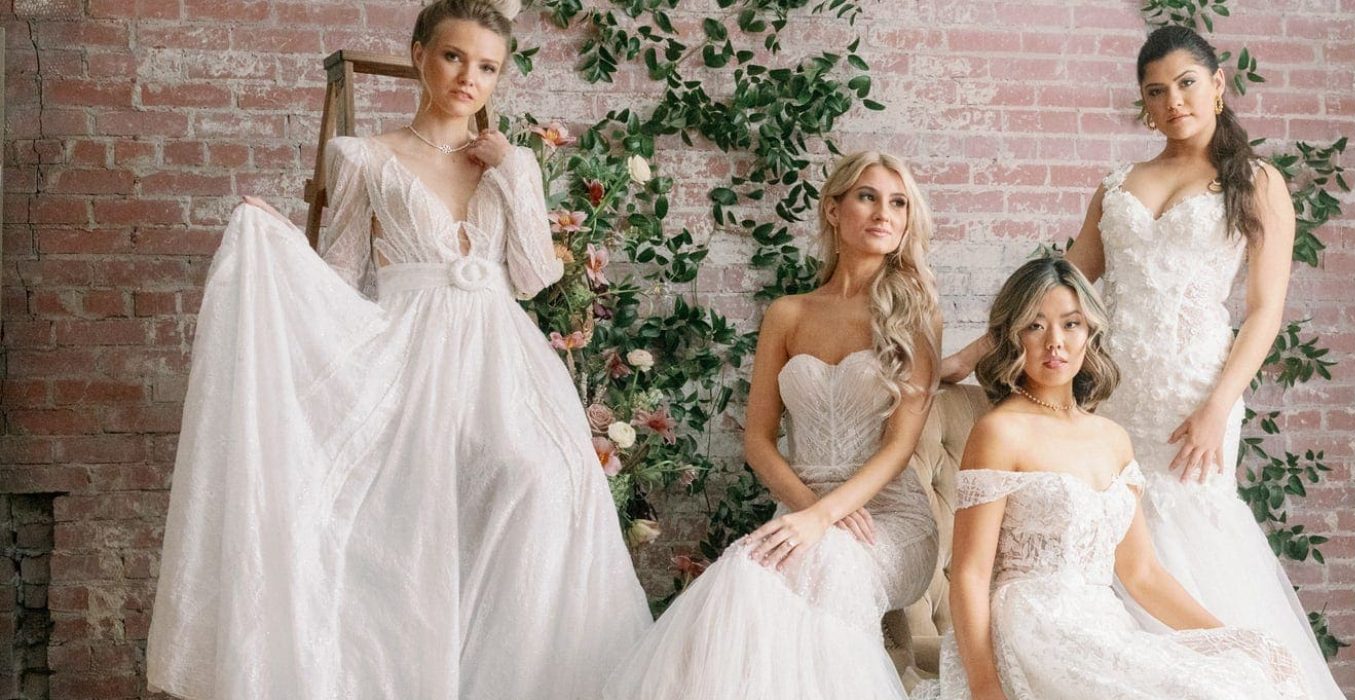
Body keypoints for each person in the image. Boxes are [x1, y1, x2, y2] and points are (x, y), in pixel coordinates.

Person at [146, 2, 650, 697]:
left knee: (548, 481)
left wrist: (515, 173)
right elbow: (338, 276)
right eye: (453, 56)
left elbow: (535, 276)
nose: (468, 77)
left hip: (504, 358)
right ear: (419, 55)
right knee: (407, 521)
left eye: (487, 66)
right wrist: (278, 247)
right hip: (407, 354)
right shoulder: (366, 157)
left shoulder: (510, 162)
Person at [941, 25, 1344, 698]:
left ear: (1218, 85)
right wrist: (968, 353)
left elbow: (1266, 310)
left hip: (1195, 392)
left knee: (1191, 525)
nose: (1173, 101)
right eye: (1155, 92)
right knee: (1115, 533)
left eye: (1187, 83)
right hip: (1114, 390)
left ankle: (1216, 667)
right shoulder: (1120, 185)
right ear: (1144, 104)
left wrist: (1218, 406)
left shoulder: (1257, 183)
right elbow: (1061, 285)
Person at [603, 151, 941, 700]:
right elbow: (758, 441)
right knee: (740, 573)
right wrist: (810, 510)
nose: (885, 213)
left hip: (887, 518)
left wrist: (826, 517)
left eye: (899, 203)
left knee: (829, 562)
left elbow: (899, 447)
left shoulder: (915, 313)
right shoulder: (789, 313)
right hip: (803, 506)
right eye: (868, 196)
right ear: (833, 210)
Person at [914, 257, 1310, 700]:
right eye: (1035, 326)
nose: (1055, 343)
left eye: (1071, 324)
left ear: (1090, 333)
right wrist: (986, 687)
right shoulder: (1000, 432)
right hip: (1031, 628)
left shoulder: (1113, 439)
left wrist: (1227, 638)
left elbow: (1140, 573)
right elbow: (969, 574)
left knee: (1249, 669)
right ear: (1013, 336)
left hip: (1103, 626)